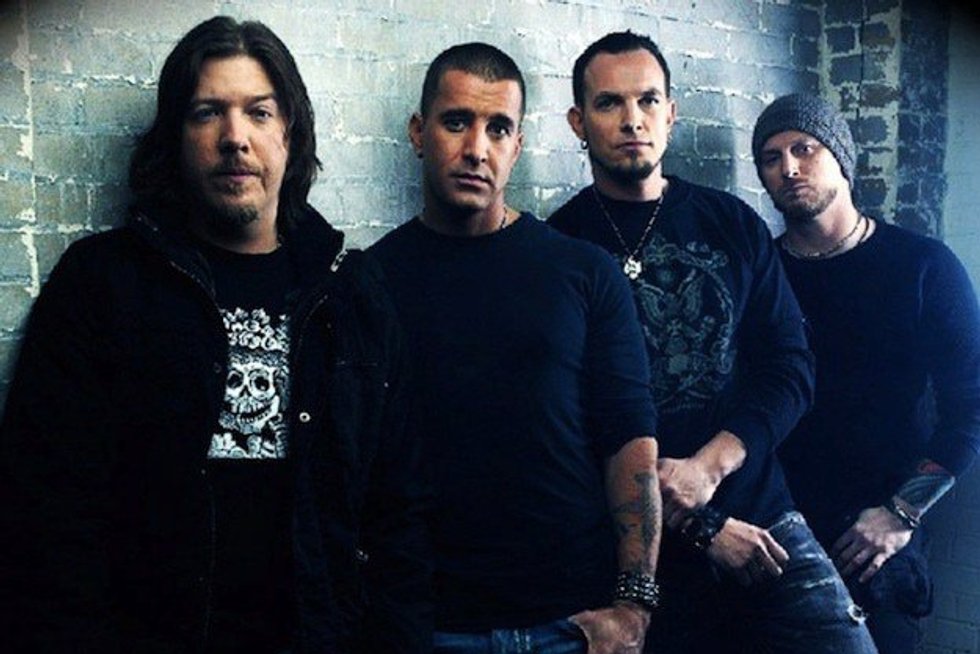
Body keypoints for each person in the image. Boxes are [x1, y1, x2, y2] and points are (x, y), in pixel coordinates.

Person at [0, 16, 430, 654]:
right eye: (207, 113)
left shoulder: (352, 292)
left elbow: (399, 513)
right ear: (175, 136)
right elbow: (47, 512)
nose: (235, 138)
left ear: (290, 133)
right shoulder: (103, 283)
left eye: (259, 112)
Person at [549, 31, 877, 653]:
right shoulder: (559, 249)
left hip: (760, 517)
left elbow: (791, 369)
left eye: (648, 100)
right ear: (578, 122)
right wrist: (700, 526)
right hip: (632, 544)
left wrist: (708, 468)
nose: (632, 120)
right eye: (609, 103)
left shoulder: (731, 223)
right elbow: (569, 427)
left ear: (671, 113)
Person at [369, 42, 661, 654]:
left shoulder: (585, 272)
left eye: (498, 128)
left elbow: (628, 440)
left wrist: (634, 605)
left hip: (572, 624)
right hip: (427, 625)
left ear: (518, 145)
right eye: (457, 122)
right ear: (419, 133)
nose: (477, 148)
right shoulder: (370, 282)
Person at [753, 93, 980, 654]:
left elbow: (972, 406)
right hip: (773, 528)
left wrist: (902, 513)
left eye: (804, 148)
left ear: (842, 157)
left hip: (877, 537)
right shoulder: (760, 272)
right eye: (771, 157)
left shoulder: (923, 266)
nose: (789, 167)